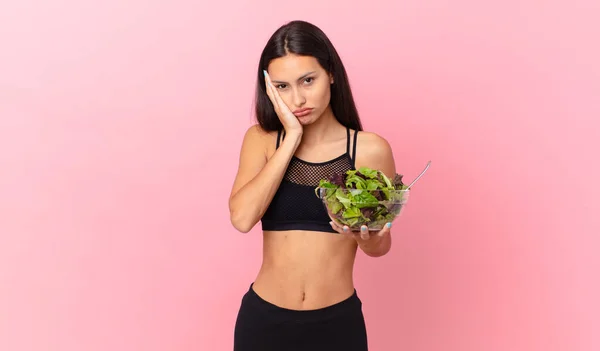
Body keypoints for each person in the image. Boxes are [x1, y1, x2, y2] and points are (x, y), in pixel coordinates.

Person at [228, 20, 398, 351]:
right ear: (269, 90)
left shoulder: (369, 150)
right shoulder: (262, 140)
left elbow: (380, 246)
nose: (298, 99)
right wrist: (291, 137)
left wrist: (369, 237)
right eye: (282, 87)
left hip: (337, 326)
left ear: (331, 73)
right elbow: (242, 218)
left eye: (308, 80)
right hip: (264, 323)